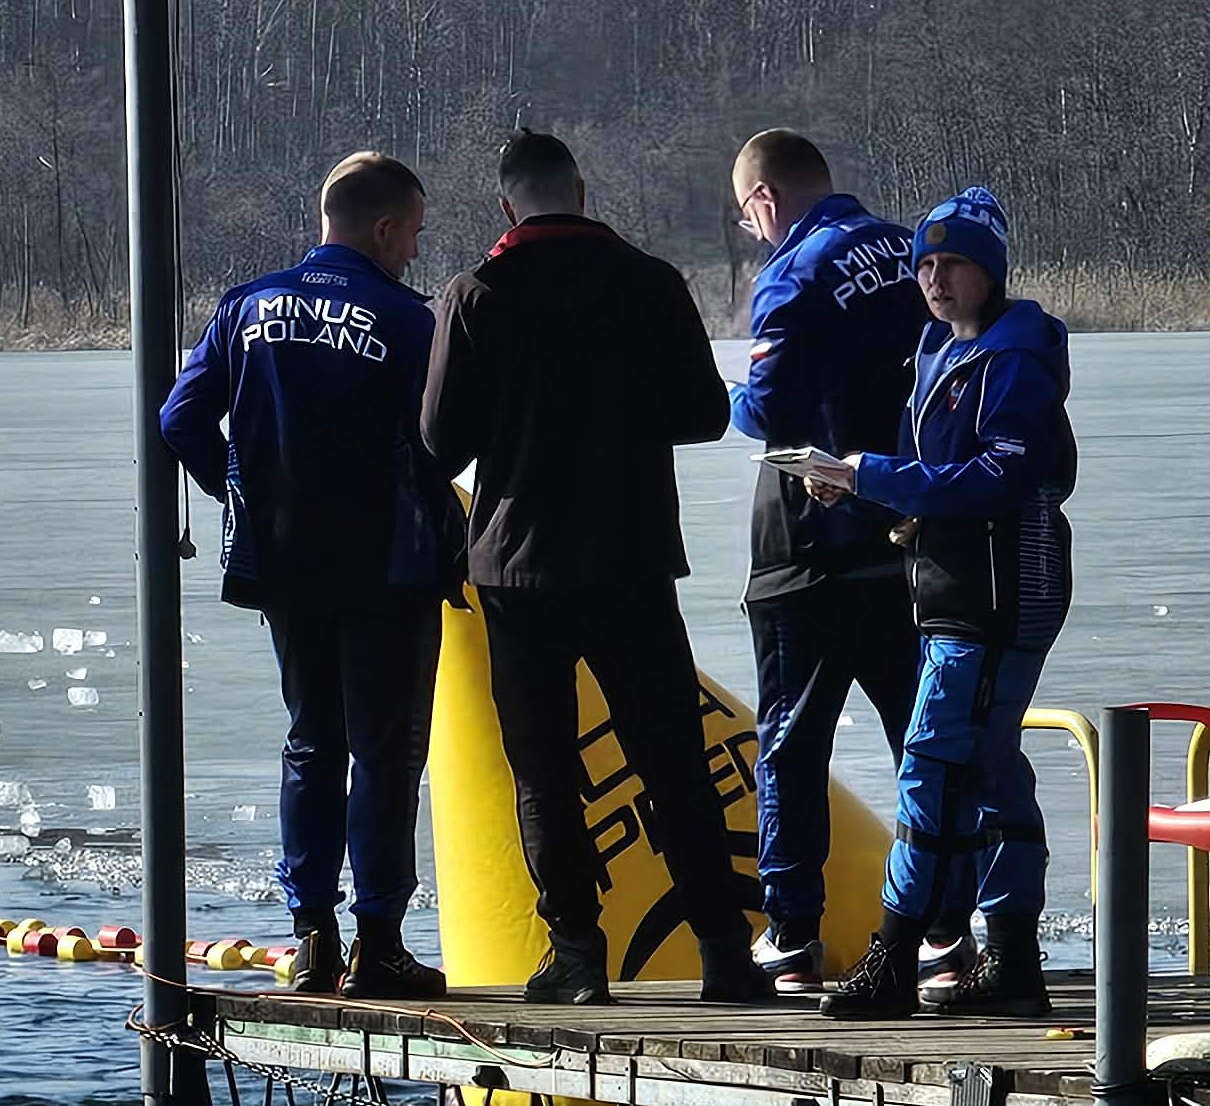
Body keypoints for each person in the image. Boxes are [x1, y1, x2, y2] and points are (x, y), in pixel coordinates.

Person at [420, 129, 769, 1005]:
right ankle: (726, 953)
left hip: (515, 568)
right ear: (581, 188)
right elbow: (703, 413)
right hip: (632, 557)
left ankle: (577, 953)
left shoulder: (475, 294)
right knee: (674, 762)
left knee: (543, 772)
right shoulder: (650, 283)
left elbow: (436, 441)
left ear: (508, 205)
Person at [159, 149, 461, 1000]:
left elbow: (181, 419)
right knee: (388, 752)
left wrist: (241, 491)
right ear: (384, 227)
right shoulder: (406, 320)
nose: (412, 253)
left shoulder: (245, 306)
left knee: (311, 743)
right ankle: (382, 943)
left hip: (287, 567)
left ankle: (310, 940)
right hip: (388, 567)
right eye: (412, 237)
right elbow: (445, 438)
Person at [793, 188, 1076, 1019]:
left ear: (989, 271)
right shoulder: (938, 353)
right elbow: (939, 478)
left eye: (952, 263)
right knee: (986, 768)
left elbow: (1000, 476)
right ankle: (1015, 960)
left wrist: (873, 475)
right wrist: (856, 488)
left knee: (932, 764)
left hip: (998, 592)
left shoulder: (1016, 357)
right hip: (952, 584)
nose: (934, 277)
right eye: (923, 262)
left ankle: (895, 952)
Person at [727, 130, 926, 987]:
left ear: (764, 200)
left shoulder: (796, 271)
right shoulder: (910, 250)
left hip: (808, 550)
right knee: (923, 740)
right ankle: (947, 929)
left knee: (792, 745)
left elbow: (764, 408)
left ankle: (793, 932)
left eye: (747, 219)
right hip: (909, 531)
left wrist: (728, 397)